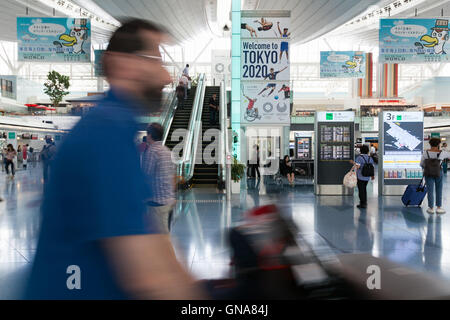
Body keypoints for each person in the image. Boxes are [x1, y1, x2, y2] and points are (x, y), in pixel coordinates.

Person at [24, 19, 206, 300]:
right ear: (123, 64)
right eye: (156, 60)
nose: (167, 77)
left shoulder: (114, 127)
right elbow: (148, 276)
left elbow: (147, 237)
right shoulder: (105, 131)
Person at [142, 123, 176, 233]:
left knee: (161, 238)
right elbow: (173, 175)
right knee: (165, 234)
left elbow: (146, 175)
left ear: (150, 135)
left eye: (147, 134)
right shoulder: (167, 151)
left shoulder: (152, 151)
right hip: (168, 200)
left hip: (157, 202)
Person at [421, 138, 450, 215]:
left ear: (430, 144)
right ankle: (439, 207)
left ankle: (431, 208)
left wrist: (427, 167)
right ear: (438, 144)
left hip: (428, 173)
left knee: (430, 190)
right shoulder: (443, 152)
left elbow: (421, 164)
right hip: (438, 172)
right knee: (439, 189)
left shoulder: (425, 153)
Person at [350, 145, 375, 209]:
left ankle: (362, 203)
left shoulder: (359, 158)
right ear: (367, 151)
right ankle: (364, 202)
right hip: (367, 177)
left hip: (360, 176)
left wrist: (353, 162)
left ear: (361, 150)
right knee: (364, 189)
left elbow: (357, 167)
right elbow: (372, 167)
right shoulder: (370, 158)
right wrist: (372, 176)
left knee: (361, 190)